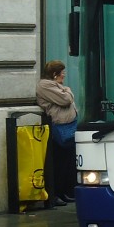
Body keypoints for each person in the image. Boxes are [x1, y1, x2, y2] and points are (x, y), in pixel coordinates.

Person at [36, 60, 78, 205]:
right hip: (59, 126)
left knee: (68, 161)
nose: (64, 75)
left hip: (68, 125)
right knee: (59, 161)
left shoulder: (56, 86)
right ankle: (55, 194)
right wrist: (67, 90)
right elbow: (66, 99)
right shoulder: (45, 85)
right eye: (62, 73)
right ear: (54, 74)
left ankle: (65, 191)